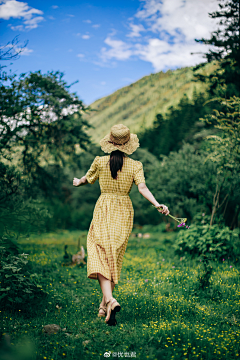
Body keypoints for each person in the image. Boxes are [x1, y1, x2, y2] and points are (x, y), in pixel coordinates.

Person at [73, 124, 169, 326]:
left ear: (110, 142)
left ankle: (109, 300)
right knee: (113, 257)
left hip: (103, 209)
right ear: (128, 145)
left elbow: (86, 179)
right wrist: (156, 203)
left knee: (99, 253)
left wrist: (77, 182)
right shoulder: (136, 165)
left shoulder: (99, 161)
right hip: (124, 211)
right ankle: (104, 307)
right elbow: (142, 187)